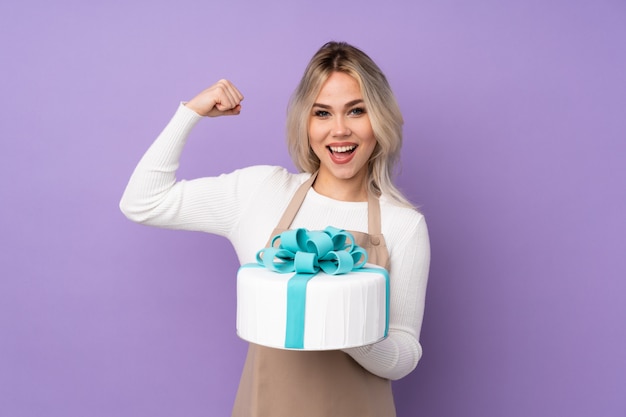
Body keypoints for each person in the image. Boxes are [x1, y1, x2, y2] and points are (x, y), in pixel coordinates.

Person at [120, 41, 430, 417]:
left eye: (356, 110)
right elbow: (142, 202)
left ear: (378, 119)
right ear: (306, 121)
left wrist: (345, 324)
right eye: (322, 113)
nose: (339, 130)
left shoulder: (404, 224)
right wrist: (190, 113)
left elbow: (404, 356)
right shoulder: (261, 193)